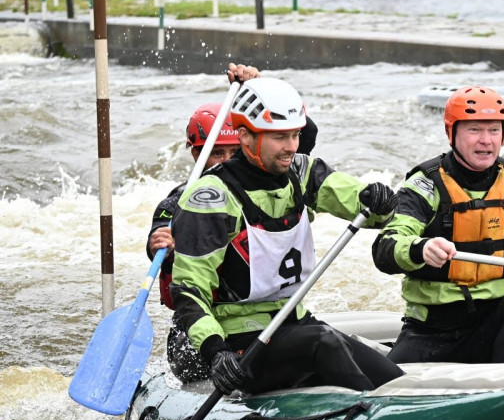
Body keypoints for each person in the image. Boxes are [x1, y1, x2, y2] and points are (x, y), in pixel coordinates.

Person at [169, 76, 403, 395]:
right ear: (245, 137)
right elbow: (188, 288)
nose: (291, 146)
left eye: (294, 134)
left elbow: (360, 203)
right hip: (241, 345)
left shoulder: (301, 173)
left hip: (293, 323)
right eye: (280, 137)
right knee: (324, 342)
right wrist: (215, 351)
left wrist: (379, 200)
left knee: (391, 377)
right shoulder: (211, 198)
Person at [146, 64, 321, 383]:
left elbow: (301, 140)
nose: (225, 160)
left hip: (257, 325)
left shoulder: (271, 179)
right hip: (196, 336)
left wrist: (260, 88)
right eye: (216, 153)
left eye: (232, 151)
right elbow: (160, 241)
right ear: (197, 153)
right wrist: (158, 242)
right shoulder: (180, 200)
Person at [371, 86, 504, 363]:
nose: (486, 141)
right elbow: (386, 246)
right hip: (433, 330)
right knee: (382, 383)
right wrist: (420, 248)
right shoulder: (424, 185)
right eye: (474, 130)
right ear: (451, 133)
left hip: (496, 324)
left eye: (494, 130)